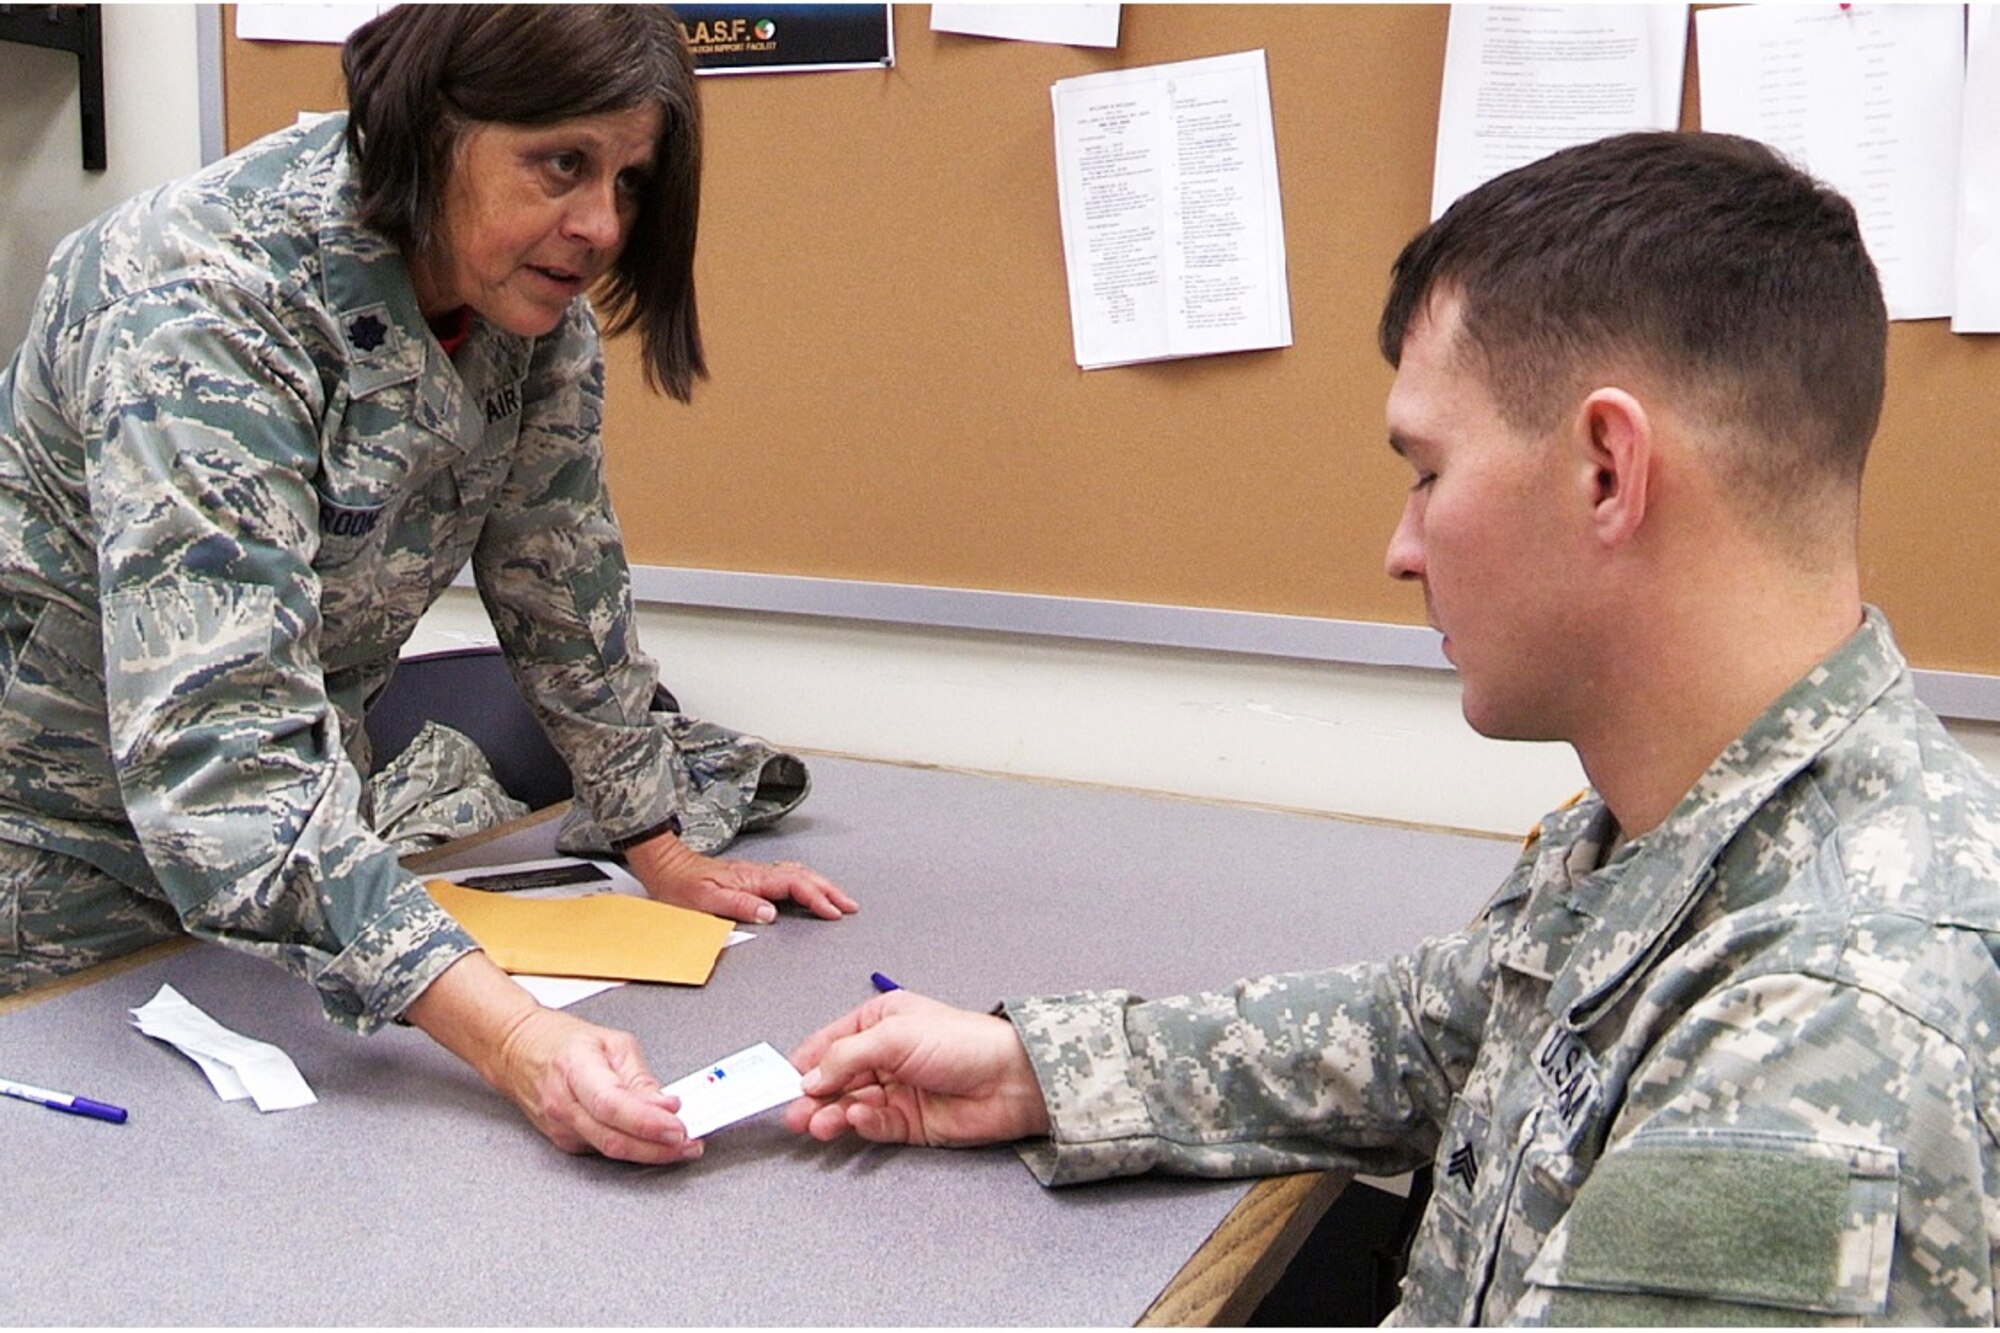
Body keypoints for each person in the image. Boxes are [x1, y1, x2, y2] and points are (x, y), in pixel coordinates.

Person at [784, 131, 2000, 1322]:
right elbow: (1427, 1029)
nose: (1398, 549)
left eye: (1425, 471)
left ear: (1604, 471)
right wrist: (1038, 1071)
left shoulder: (1826, 1032)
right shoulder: (1680, 811)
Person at [0, 5, 856, 1162]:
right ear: (429, 127)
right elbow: (224, 754)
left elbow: (562, 582)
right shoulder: (196, 298)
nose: (601, 225)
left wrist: (657, 842)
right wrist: (511, 1039)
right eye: (562, 163)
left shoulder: (521, 304)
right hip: (57, 904)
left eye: (632, 181)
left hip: (291, 892)